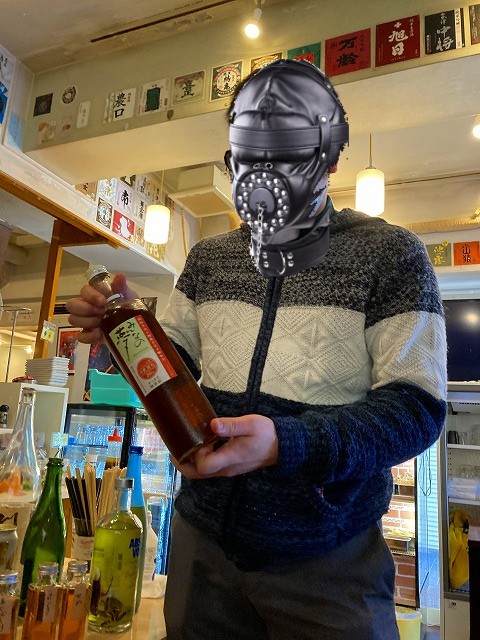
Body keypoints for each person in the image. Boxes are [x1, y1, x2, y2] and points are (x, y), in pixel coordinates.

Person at [66, 59, 447, 640]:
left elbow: (416, 408)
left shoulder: (391, 254)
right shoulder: (209, 258)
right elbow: (174, 370)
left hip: (330, 563)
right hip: (201, 548)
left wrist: (286, 444)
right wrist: (119, 335)